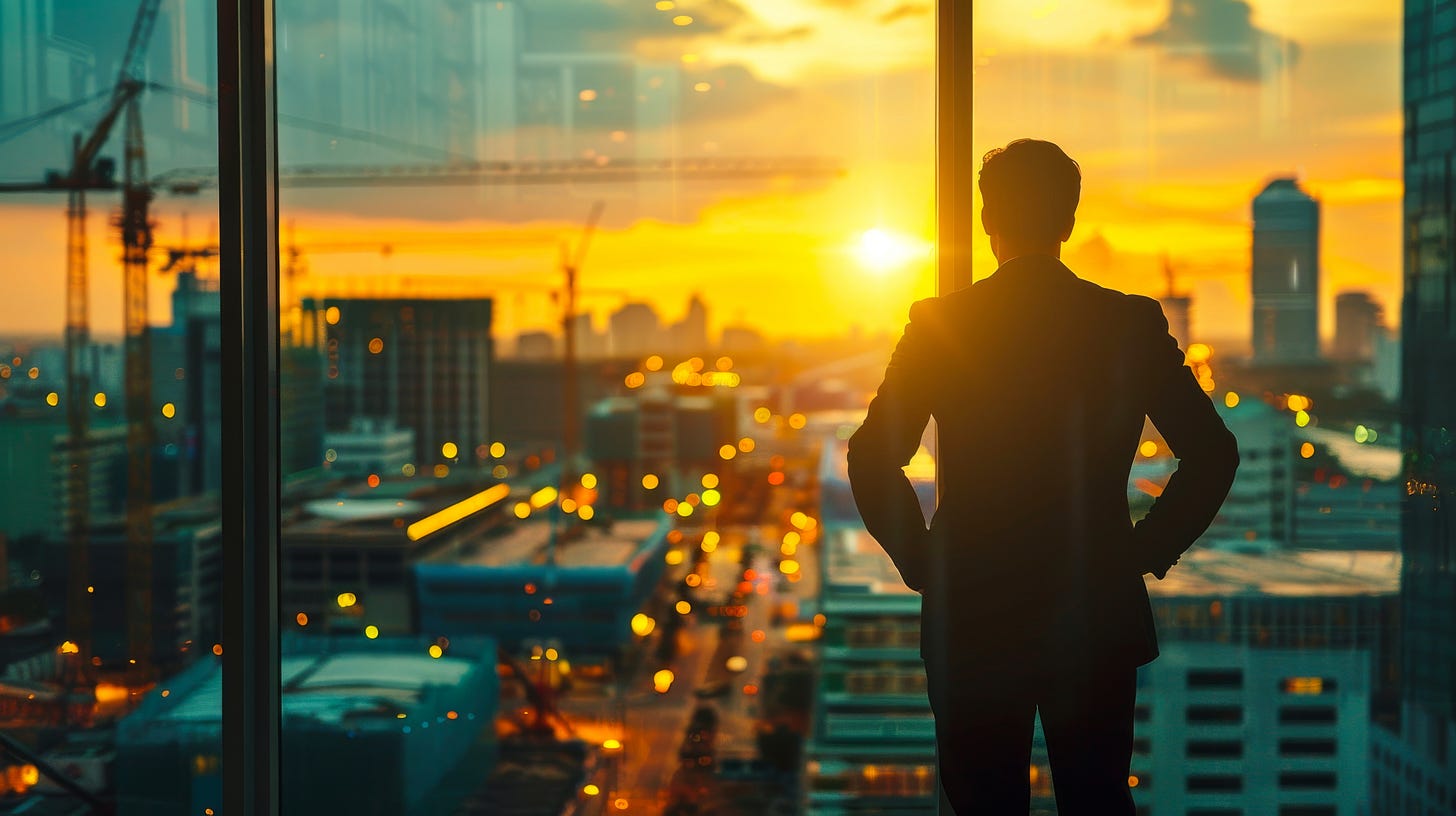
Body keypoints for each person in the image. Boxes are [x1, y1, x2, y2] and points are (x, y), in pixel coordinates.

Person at [846, 138, 1239, 814]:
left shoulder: (944, 322)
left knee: (983, 805)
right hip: (1092, 608)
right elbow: (1213, 453)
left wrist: (923, 561)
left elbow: (869, 456)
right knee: (1095, 801)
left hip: (972, 610)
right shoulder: (1126, 322)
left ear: (986, 219)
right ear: (1068, 221)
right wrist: (1142, 550)